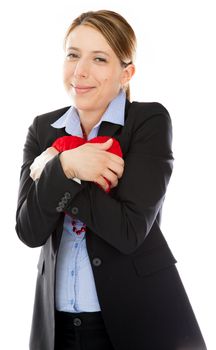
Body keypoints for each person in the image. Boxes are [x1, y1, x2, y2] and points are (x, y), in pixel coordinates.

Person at [15, 9, 207, 350]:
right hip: (57, 327)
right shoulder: (43, 129)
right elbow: (29, 230)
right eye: (73, 55)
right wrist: (69, 165)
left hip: (137, 319)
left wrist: (57, 171)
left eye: (99, 58)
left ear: (126, 73)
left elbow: (129, 230)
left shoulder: (148, 121)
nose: (80, 71)